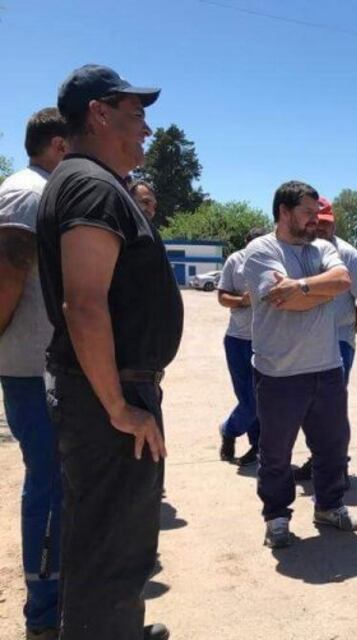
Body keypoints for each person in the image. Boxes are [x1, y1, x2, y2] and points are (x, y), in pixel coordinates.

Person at [36, 64, 179, 640]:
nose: (146, 129)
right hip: (107, 395)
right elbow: (85, 306)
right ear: (99, 113)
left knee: (110, 536)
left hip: (106, 388)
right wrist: (120, 406)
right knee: (112, 545)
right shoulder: (92, 186)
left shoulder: (87, 181)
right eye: (137, 113)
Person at [242, 181, 357, 549]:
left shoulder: (322, 247)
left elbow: (342, 280)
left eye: (317, 214)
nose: (314, 221)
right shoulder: (261, 249)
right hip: (279, 372)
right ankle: (277, 517)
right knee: (276, 453)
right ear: (284, 212)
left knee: (333, 446)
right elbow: (282, 301)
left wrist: (302, 287)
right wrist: (316, 292)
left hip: (326, 368)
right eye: (307, 213)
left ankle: (329, 505)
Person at [0, 107, 68, 640]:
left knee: (64, 484)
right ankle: (45, 617)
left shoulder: (45, 189)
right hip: (32, 368)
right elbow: (6, 277)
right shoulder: (29, 193)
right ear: (58, 143)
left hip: (45, 365)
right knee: (49, 486)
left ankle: (65, 606)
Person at [293, 197, 357, 484]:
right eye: (317, 223)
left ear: (334, 223)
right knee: (308, 405)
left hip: (338, 341)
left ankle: (337, 464)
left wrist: (350, 330)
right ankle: (320, 458)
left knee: (333, 406)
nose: (321, 229)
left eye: (327, 224)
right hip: (305, 341)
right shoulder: (301, 251)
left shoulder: (349, 255)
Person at [217, 226, 266, 466]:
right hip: (237, 340)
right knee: (249, 401)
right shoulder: (234, 261)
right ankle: (229, 430)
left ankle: (256, 447)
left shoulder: (273, 261)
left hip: (267, 341)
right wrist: (242, 300)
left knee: (260, 400)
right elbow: (222, 297)